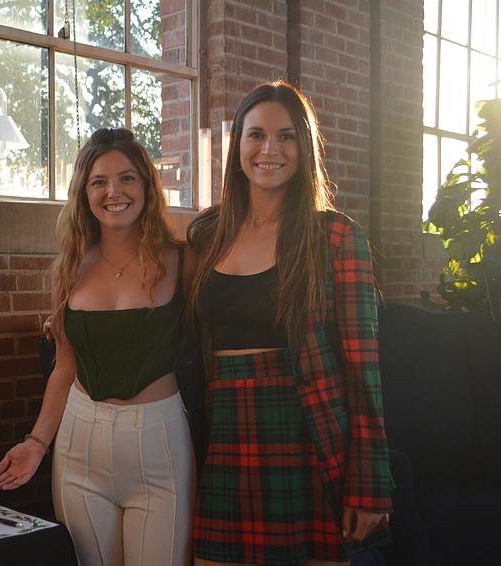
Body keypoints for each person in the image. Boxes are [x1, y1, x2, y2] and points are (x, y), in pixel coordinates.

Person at [187, 80, 394, 566]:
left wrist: (369, 484)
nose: (269, 150)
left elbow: (363, 368)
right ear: (237, 145)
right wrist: (68, 319)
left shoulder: (337, 236)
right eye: (255, 135)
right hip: (223, 433)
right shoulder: (207, 234)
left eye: (286, 136)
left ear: (304, 147)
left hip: (306, 432)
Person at [0, 127, 196, 566]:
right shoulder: (68, 269)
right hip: (80, 450)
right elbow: (65, 369)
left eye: (127, 178)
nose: (113, 192)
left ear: (146, 185)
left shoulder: (182, 260)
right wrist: (35, 443)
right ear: (85, 192)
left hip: (159, 446)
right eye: (99, 181)